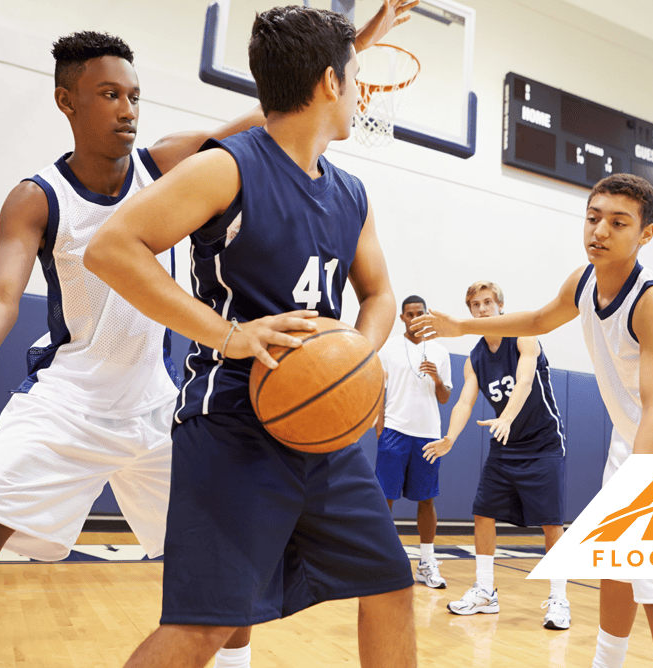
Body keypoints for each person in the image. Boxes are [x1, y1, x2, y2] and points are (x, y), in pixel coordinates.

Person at [0, 4, 415, 665]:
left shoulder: (165, 164)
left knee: (240, 602)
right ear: (66, 101)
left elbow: (283, 116)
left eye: (134, 94)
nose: (128, 108)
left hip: (157, 404)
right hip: (75, 401)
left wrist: (355, 46)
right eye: (109, 94)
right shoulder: (41, 195)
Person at [84, 6, 416, 668]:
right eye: (356, 78)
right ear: (329, 82)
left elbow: (378, 295)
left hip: (324, 425)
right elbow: (113, 248)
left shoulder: (352, 193)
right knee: (203, 626)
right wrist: (228, 334)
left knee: (390, 583)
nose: (360, 94)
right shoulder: (229, 167)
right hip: (235, 418)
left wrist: (356, 354)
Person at [415, 174, 653, 668]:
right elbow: (536, 320)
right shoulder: (583, 281)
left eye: (618, 222)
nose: (599, 230)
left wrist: (643, 484)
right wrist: (464, 325)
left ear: (645, 235)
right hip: (631, 433)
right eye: (593, 217)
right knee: (615, 561)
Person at [419, 281, 570, 629]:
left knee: (551, 523)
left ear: (500, 306)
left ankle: (559, 598)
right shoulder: (474, 359)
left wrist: (506, 416)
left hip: (542, 443)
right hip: (505, 445)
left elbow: (526, 383)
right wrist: (450, 438)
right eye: (475, 304)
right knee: (483, 513)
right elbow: (465, 402)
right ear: (470, 311)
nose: (482, 309)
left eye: (488, 302)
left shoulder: (523, 336)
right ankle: (485, 591)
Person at [375, 295, 452, 589]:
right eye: (410, 314)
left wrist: (436, 379)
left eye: (420, 313)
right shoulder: (389, 349)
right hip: (394, 430)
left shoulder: (440, 352)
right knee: (386, 498)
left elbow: (444, 397)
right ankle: (381, 559)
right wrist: (380, 430)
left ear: (426, 314)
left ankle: (426, 562)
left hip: (428, 434)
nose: (415, 318)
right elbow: (378, 392)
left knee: (426, 498)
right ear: (403, 318)